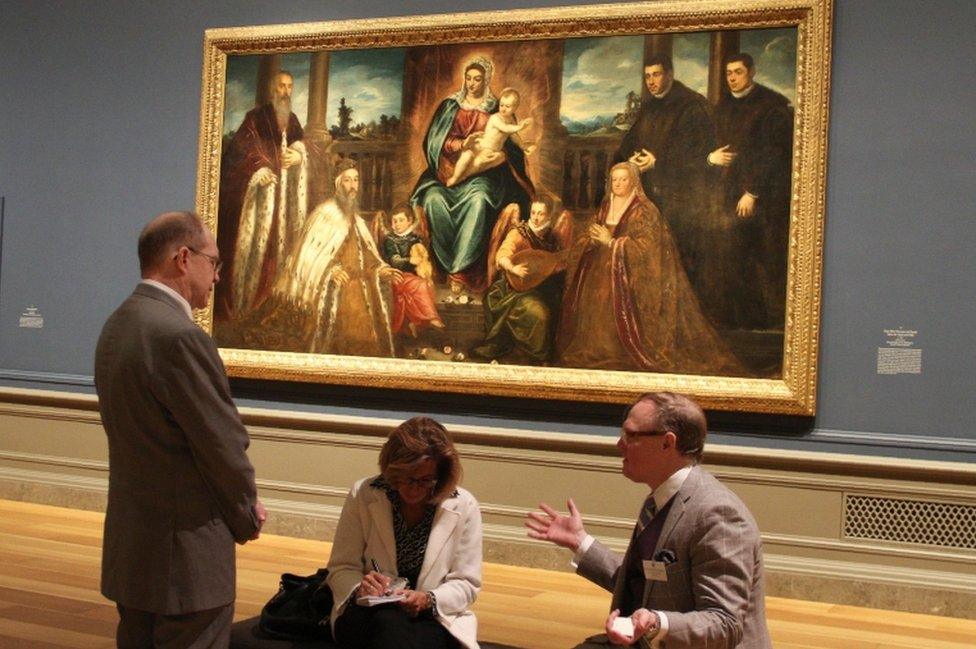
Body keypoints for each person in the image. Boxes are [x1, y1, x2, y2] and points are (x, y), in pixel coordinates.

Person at [94, 211, 266, 647]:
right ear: (183, 258)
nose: (218, 277)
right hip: (186, 554)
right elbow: (221, 443)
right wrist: (246, 512)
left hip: (133, 545)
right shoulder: (181, 336)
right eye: (215, 262)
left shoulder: (117, 325)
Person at [525, 392, 771, 649]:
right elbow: (648, 582)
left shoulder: (718, 515)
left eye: (631, 436)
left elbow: (724, 624)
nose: (619, 445)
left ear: (667, 443)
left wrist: (656, 622)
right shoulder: (660, 500)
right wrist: (580, 542)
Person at [556, 162, 739, 375]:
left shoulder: (645, 210)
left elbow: (647, 249)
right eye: (614, 179)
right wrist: (592, 237)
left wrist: (611, 243)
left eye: (623, 179)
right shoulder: (606, 205)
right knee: (594, 308)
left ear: (633, 181)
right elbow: (592, 231)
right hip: (599, 271)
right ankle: (599, 352)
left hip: (628, 276)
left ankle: (622, 353)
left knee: (612, 306)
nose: (618, 184)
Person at [327, 417, 482, 649]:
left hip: (434, 615)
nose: (413, 489)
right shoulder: (365, 493)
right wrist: (361, 587)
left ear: (441, 475)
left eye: (424, 480)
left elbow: (466, 583)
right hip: (368, 614)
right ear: (391, 469)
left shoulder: (464, 505)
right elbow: (341, 568)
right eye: (406, 478)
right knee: (388, 622)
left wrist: (428, 599)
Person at [410, 56, 535, 294]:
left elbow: (513, 145)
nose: (472, 83)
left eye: (477, 79)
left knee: (478, 202)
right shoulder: (450, 106)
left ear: (486, 80)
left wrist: (501, 157)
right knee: (433, 199)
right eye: (468, 78)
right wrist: (462, 145)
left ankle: (462, 273)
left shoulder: (498, 108)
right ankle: (444, 268)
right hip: (449, 170)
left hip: (485, 176)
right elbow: (434, 142)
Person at [615, 54, 717, 311]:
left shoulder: (692, 105)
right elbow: (630, 143)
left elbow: (699, 156)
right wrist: (632, 158)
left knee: (677, 253)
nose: (651, 81)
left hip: (681, 196)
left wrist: (658, 163)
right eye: (647, 76)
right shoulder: (650, 107)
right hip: (649, 191)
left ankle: (678, 311)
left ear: (669, 75)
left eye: (656, 75)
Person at [273, 159, 399, 356]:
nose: (352, 186)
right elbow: (308, 256)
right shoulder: (324, 214)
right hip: (337, 289)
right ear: (338, 183)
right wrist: (330, 271)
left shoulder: (356, 218)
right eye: (347, 180)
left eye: (356, 180)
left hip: (363, 288)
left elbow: (366, 254)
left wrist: (380, 268)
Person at [708, 53, 794, 330]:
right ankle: (735, 321)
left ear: (752, 72)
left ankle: (766, 323)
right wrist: (711, 157)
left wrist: (753, 192)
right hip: (728, 192)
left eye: (738, 72)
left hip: (763, 197)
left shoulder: (772, 106)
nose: (732, 77)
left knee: (762, 255)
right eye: (728, 73)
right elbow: (711, 144)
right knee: (729, 255)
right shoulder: (722, 107)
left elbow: (775, 156)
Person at [215, 70, 308, 321]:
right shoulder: (254, 118)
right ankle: (251, 308)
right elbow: (238, 155)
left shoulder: (295, 120)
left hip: (285, 205)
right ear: (272, 90)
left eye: (290, 86)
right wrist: (258, 171)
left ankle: (278, 307)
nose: (286, 91)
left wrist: (300, 154)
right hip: (261, 201)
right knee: (261, 256)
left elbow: (306, 147)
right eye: (281, 86)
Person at [472, 200, 564, 363]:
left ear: (549, 216)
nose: (536, 218)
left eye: (541, 213)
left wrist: (552, 268)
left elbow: (557, 263)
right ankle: (537, 356)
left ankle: (538, 357)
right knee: (538, 314)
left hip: (540, 288)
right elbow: (502, 256)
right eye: (533, 213)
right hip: (512, 288)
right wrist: (513, 269)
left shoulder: (552, 237)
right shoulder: (519, 233)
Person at [446, 87, 536, 188]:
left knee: (497, 158)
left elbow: (514, 136)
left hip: (492, 151)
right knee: (467, 155)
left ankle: (465, 176)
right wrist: (520, 127)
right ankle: (455, 177)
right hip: (481, 146)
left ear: (514, 108)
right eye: (501, 105)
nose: (503, 108)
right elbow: (505, 128)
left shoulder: (511, 120)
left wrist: (522, 145)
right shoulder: (495, 118)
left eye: (508, 106)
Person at [382, 204, 445, 336]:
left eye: (401, 220)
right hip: (396, 274)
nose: (397, 224)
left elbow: (423, 259)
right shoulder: (390, 240)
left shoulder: (416, 238)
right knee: (419, 285)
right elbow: (394, 261)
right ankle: (431, 318)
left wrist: (423, 267)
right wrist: (410, 261)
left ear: (410, 221)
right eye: (394, 221)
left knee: (427, 284)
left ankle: (417, 323)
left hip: (413, 275)